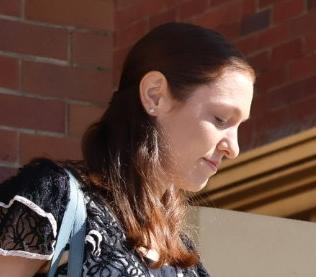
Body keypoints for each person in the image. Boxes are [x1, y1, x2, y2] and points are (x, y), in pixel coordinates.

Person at [0, 22, 255, 276]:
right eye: (221, 119)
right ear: (154, 95)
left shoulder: (187, 263)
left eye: (238, 126)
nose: (233, 148)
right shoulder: (55, 199)